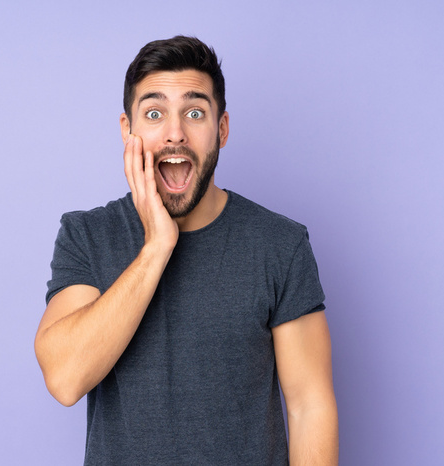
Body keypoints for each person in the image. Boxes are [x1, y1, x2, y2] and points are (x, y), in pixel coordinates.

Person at [34, 36, 338, 465]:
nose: (175, 133)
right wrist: (157, 246)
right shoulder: (87, 234)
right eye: (154, 113)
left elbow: (310, 407)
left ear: (222, 128)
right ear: (128, 130)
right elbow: (65, 379)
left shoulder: (279, 245)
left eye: (195, 113)